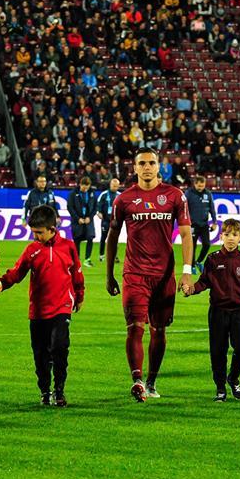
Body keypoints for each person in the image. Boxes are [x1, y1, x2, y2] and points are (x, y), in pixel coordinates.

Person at [105, 147, 193, 402]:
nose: (147, 167)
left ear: (158, 167)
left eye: (151, 163)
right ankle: (137, 380)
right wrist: (109, 274)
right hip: (134, 274)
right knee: (135, 328)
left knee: (159, 331)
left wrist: (187, 271)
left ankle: (152, 381)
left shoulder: (175, 196)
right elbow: (112, 237)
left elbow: (186, 234)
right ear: (134, 168)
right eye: (142, 163)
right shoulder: (123, 200)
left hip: (164, 276)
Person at [0, 205, 85, 407]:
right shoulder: (32, 250)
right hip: (38, 310)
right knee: (40, 355)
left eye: (39, 232)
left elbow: (77, 273)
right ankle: (45, 391)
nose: (35, 236)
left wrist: (79, 295)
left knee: (60, 347)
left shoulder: (68, 247)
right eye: (33, 232)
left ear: (52, 229)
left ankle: (60, 391)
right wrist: (0, 284)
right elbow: (16, 273)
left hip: (62, 307)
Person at [185, 219, 240, 402]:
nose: (231, 238)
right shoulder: (213, 259)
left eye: (234, 235)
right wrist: (192, 289)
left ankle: (233, 378)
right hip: (217, 312)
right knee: (217, 352)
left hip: (238, 311)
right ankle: (220, 388)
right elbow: (204, 282)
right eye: (227, 234)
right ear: (221, 236)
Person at [185, 175, 217, 271]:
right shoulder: (188, 193)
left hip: (204, 224)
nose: (201, 188)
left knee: (207, 244)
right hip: (192, 224)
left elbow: (212, 209)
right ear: (195, 184)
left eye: (202, 186)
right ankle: (192, 266)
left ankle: (198, 261)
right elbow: (184, 208)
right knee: (192, 246)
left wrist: (214, 222)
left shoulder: (208, 193)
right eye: (199, 186)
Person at [67, 177, 97, 266]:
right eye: (84, 187)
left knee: (90, 238)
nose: (85, 189)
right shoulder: (73, 193)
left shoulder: (92, 193)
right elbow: (70, 207)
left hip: (88, 220)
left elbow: (95, 207)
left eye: (87, 187)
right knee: (77, 240)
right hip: (77, 221)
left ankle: (87, 259)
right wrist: (77, 218)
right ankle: (77, 260)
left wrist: (90, 217)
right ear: (80, 184)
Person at [96, 178, 120, 264]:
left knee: (115, 239)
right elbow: (98, 204)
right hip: (106, 220)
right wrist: (99, 213)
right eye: (114, 186)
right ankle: (101, 255)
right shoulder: (104, 194)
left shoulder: (119, 195)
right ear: (110, 185)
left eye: (116, 186)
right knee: (104, 237)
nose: (115, 188)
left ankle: (114, 256)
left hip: (116, 221)